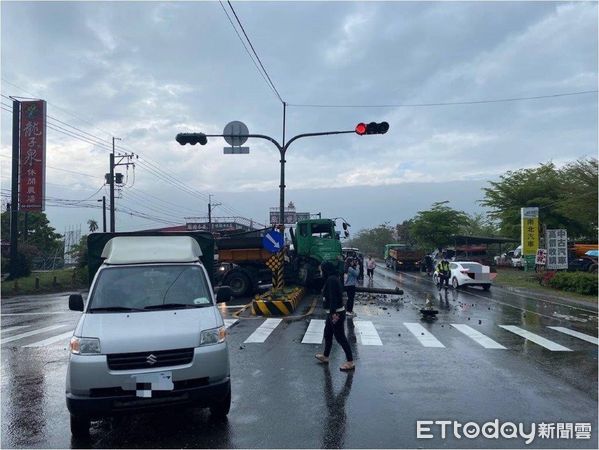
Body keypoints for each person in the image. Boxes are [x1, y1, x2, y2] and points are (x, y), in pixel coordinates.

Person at [315, 261, 355, 371]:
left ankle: (350, 361)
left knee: (340, 337)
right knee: (327, 334)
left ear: (326, 270)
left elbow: (333, 298)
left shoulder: (331, 280)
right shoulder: (332, 278)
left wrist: (333, 314)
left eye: (321, 269)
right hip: (332, 312)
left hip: (335, 312)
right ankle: (326, 356)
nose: (320, 271)